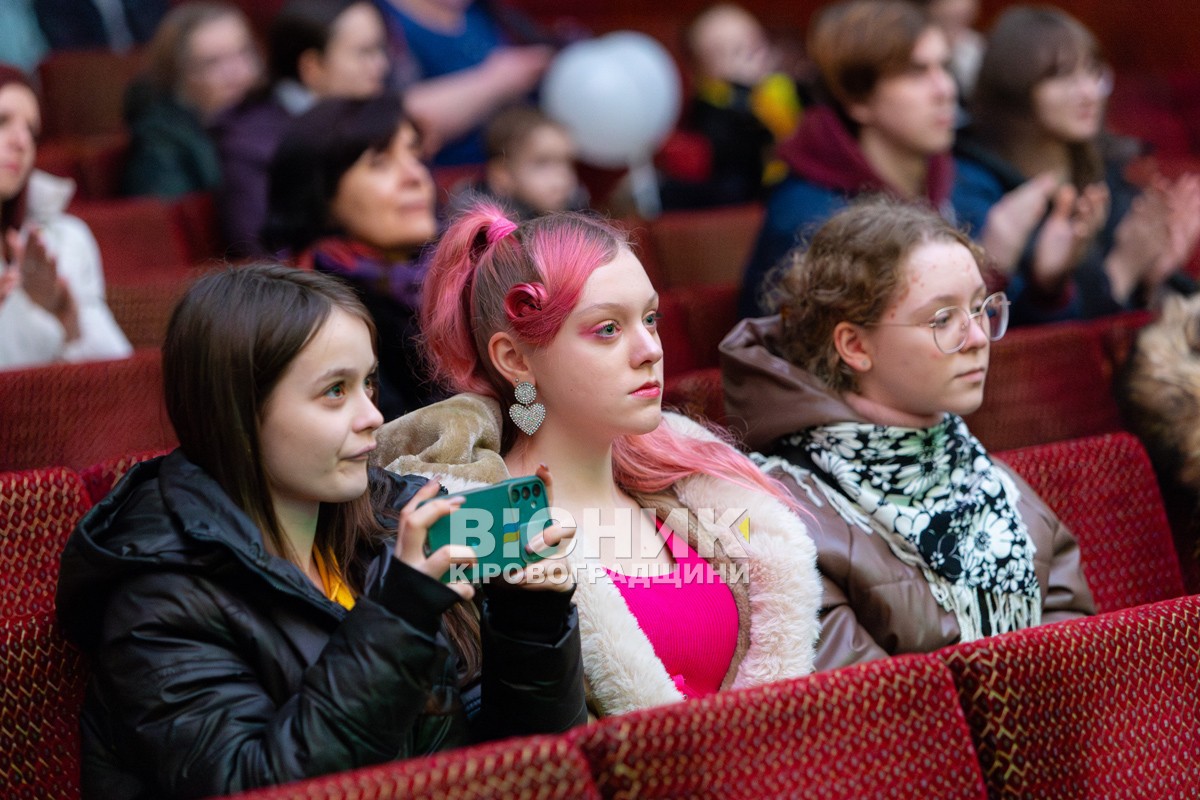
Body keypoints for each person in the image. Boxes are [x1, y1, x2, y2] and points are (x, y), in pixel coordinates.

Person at [56, 263, 587, 798]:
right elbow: (253, 785)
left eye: (369, 383)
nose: (373, 417)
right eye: (335, 391)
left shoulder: (386, 521)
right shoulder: (157, 598)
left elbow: (513, 770)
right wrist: (399, 614)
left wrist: (530, 622)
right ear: (238, 414)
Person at [372, 200, 822, 716]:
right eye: (607, 328)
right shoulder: (481, 530)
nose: (650, 348)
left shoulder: (697, 493)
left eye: (650, 318)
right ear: (515, 359)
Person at [721, 197, 1095, 671]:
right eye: (943, 319)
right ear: (855, 346)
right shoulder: (784, 520)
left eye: (980, 308)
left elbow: (1082, 674)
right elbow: (884, 720)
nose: (978, 337)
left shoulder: (1002, 488)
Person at [953, 6, 1200, 324]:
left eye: (1093, 72)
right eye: (1062, 77)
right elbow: (1010, 335)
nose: (1088, 93)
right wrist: (1122, 270)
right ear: (1014, 87)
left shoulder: (1103, 171)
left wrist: (1153, 279)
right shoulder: (974, 185)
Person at [738, 0, 958, 318]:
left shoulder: (961, 181)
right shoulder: (808, 220)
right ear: (858, 99)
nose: (946, 89)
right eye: (916, 72)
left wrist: (1040, 286)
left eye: (945, 67)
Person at [264, 93, 440, 419]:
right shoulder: (316, 311)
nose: (416, 176)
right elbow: (394, 442)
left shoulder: (463, 271)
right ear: (322, 198)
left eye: (415, 154)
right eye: (380, 163)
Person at [213, 0, 391, 256]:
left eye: (380, 49)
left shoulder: (382, 123)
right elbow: (262, 258)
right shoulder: (251, 147)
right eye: (365, 52)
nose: (381, 65)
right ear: (312, 67)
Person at [0, 64, 131, 370]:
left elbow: (120, 374)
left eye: (31, 131)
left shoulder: (66, 238)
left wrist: (65, 314)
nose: (21, 142)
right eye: (2, 121)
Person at [373, 0, 555, 166]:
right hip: (446, 178)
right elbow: (395, 115)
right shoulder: (381, 19)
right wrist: (496, 81)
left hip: (511, 169)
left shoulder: (482, 10)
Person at [659, 2, 802, 210]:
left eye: (757, 44)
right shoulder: (712, 116)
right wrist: (744, 95)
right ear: (700, 71)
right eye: (734, 52)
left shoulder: (789, 90)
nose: (753, 58)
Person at [121, 2, 261, 198]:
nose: (236, 73)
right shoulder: (161, 148)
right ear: (179, 74)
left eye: (243, 53)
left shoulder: (271, 115)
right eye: (214, 62)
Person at [477, 104, 586, 219]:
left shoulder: (580, 220)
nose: (562, 177)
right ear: (502, 175)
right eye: (542, 163)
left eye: (568, 163)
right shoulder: (481, 233)